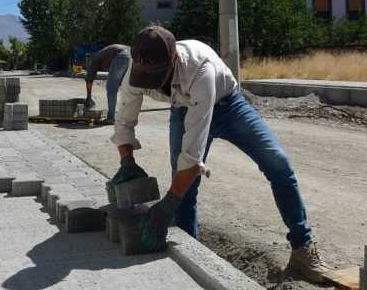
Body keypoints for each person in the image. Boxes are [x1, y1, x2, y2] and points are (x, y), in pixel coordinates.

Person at [109, 26, 329, 283]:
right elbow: (124, 121)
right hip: (182, 108)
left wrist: (168, 203)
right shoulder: (134, 74)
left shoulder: (201, 69)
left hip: (229, 106)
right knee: (185, 191)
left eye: (155, 76)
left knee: (278, 164)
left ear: (174, 60)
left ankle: (302, 249)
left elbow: (192, 157)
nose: (147, 80)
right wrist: (127, 161)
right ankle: (190, 254)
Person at [84, 44, 131, 124]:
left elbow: (89, 80)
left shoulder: (95, 60)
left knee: (111, 89)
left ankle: (111, 118)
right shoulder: (104, 55)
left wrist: (89, 96)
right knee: (125, 87)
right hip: (131, 55)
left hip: (121, 56)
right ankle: (122, 116)